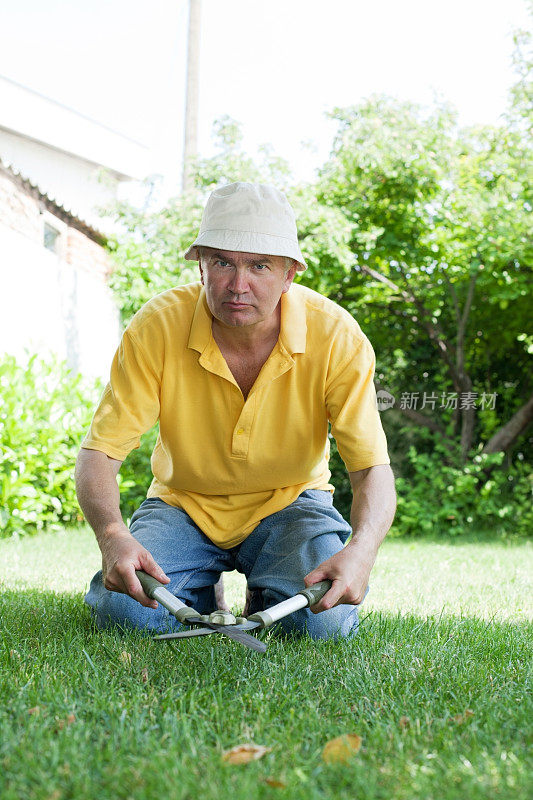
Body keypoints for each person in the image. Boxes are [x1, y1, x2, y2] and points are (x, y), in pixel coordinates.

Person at [75, 182, 396, 639]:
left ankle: (264, 593)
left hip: (292, 503)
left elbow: (370, 469)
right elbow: (99, 453)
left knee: (323, 626)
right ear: (202, 266)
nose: (238, 285)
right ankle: (201, 593)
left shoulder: (337, 336)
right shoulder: (156, 324)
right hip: (182, 502)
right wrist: (113, 536)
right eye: (223, 262)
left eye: (259, 266)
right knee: (124, 615)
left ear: (289, 274)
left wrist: (361, 551)